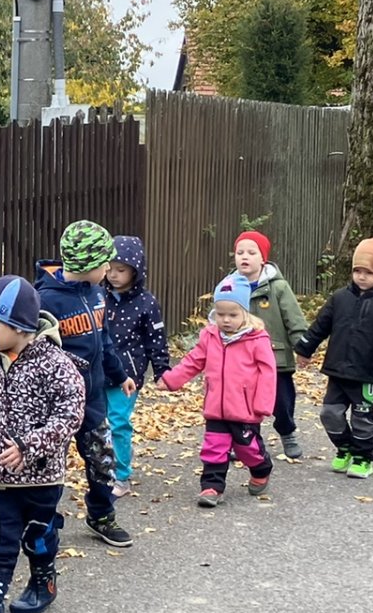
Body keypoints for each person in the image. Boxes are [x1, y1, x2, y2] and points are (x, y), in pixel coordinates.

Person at [0, 275, 86, 613]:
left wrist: (30, 445)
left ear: (19, 327)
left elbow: (71, 413)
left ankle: (43, 580)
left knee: (37, 534)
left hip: (41, 476)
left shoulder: (54, 364)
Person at [34, 222, 133, 546]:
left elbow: (104, 341)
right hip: (57, 405)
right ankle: (43, 523)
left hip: (93, 399)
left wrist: (120, 375)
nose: (109, 270)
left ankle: (101, 515)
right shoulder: (45, 300)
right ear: (88, 264)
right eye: (105, 263)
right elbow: (35, 354)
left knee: (103, 461)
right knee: (49, 466)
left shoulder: (97, 293)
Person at [159, 274, 277, 506]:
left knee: (247, 449)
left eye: (233, 315)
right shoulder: (210, 336)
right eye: (220, 314)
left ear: (245, 313)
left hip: (245, 409)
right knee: (214, 448)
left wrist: (263, 404)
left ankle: (261, 469)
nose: (226, 320)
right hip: (216, 407)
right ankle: (211, 488)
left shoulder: (257, 339)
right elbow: (193, 361)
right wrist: (172, 380)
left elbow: (268, 372)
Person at [296, 236, 373, 480]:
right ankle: (345, 447)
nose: (361, 277)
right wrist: (305, 348)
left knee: (362, 418)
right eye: (357, 271)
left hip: (367, 375)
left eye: (368, 272)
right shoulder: (340, 297)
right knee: (329, 413)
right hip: (338, 371)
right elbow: (320, 325)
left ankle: (363, 457)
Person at [231, 229, 310, 461]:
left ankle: (287, 432)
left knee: (281, 402)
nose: (245, 257)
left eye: (251, 252)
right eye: (240, 253)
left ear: (262, 259)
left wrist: (302, 347)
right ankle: (247, 441)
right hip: (241, 359)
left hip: (276, 359)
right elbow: (219, 318)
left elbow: (294, 319)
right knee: (244, 403)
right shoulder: (230, 285)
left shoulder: (278, 287)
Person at [103, 235, 170, 494]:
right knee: (100, 423)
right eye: (110, 268)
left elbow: (156, 338)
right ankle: (114, 457)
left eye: (120, 270)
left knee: (118, 421)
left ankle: (121, 475)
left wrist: (161, 370)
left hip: (128, 375)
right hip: (99, 370)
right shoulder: (99, 296)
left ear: (135, 270)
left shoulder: (146, 303)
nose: (113, 275)